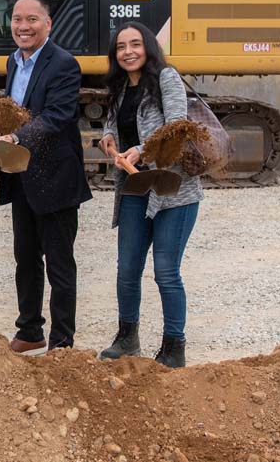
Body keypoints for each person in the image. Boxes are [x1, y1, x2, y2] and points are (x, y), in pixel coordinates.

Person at [96, 21, 203, 368]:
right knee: (127, 268)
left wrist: (141, 150)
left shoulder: (166, 78)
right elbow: (114, 123)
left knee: (166, 271)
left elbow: (177, 126)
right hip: (135, 186)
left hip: (173, 189)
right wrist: (108, 137)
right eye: (121, 46)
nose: (128, 52)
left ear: (148, 47)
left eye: (135, 44)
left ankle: (174, 347)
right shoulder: (119, 87)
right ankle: (127, 338)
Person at [0, 0, 91, 354]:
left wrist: (16, 137)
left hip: (56, 178)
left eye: (32, 19)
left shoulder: (63, 64)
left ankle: (62, 342)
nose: (23, 26)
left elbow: (57, 116)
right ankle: (30, 330)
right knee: (26, 259)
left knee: (59, 264)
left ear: (47, 24)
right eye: (17, 19)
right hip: (21, 176)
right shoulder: (13, 62)